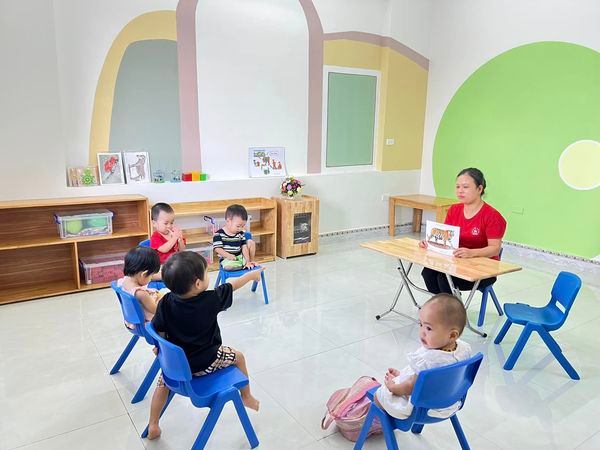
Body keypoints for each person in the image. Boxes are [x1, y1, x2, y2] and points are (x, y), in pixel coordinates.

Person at [146, 251, 262, 440]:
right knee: (239, 357)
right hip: (205, 363)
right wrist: (251, 275)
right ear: (198, 283)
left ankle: (153, 424)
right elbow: (231, 286)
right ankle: (247, 396)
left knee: (162, 384)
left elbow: (157, 328)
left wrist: (160, 346)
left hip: (175, 369)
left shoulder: (165, 301)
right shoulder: (210, 300)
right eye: (206, 273)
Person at [374, 294, 472, 419]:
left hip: (423, 408)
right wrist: (403, 376)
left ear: (452, 335)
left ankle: (378, 423)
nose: (422, 332)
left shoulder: (428, 360)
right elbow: (439, 376)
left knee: (378, 395)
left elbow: (411, 387)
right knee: (409, 380)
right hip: (450, 402)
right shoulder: (464, 349)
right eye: (421, 325)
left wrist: (393, 387)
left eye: (429, 328)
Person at [420, 167, 506, 294]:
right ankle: (444, 303)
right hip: (458, 261)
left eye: (465, 187)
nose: (460, 191)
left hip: (484, 268)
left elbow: (495, 249)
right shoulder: (454, 210)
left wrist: (471, 253)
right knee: (428, 273)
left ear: (479, 189)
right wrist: (430, 243)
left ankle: (451, 305)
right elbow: (446, 238)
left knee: (445, 278)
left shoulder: (493, 216)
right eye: (457, 187)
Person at [116, 246, 164, 327]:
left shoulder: (123, 281)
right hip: (147, 325)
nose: (151, 278)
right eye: (151, 275)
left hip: (131, 321)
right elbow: (157, 311)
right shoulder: (141, 294)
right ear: (144, 274)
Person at [213, 204, 256, 271]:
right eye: (238, 226)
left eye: (243, 226)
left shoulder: (240, 233)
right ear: (228, 221)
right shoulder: (218, 234)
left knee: (251, 242)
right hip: (227, 259)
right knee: (228, 267)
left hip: (240, 257)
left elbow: (244, 247)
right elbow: (218, 249)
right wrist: (228, 255)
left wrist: (247, 261)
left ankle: (250, 262)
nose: (240, 228)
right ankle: (240, 266)